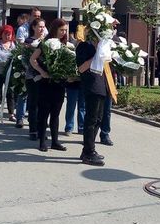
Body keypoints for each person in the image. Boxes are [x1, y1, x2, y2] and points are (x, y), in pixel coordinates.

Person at [30, 19, 68, 152]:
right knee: (44, 112)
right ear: (55, 29)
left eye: (65, 30)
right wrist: (42, 72)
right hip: (46, 83)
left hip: (59, 83)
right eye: (61, 30)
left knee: (56, 114)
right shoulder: (45, 43)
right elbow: (33, 59)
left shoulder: (65, 45)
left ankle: (55, 141)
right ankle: (42, 141)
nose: (63, 33)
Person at [76, 30, 109, 166]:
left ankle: (88, 149)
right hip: (92, 85)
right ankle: (88, 153)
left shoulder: (102, 46)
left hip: (101, 86)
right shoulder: (84, 46)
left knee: (98, 120)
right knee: (91, 119)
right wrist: (97, 53)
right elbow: (81, 68)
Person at [21, 18, 46, 139]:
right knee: (33, 104)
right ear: (34, 28)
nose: (42, 29)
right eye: (40, 26)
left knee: (43, 105)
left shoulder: (47, 41)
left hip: (43, 77)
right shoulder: (29, 41)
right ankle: (33, 130)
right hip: (32, 77)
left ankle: (41, 130)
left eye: (43, 27)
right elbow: (27, 60)